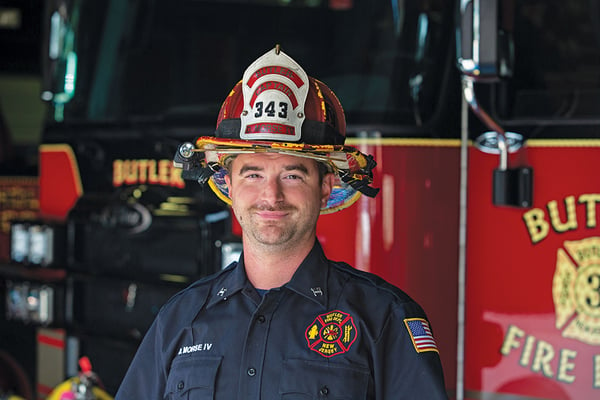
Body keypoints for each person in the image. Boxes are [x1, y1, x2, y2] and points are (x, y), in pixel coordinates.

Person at [115, 46, 448, 399]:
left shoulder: (384, 319)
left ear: (325, 187)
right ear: (228, 185)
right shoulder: (180, 319)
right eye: (253, 174)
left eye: (292, 176)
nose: (270, 196)